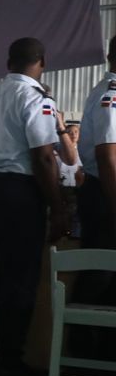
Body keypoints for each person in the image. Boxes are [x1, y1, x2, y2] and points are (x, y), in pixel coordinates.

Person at [0, 37, 68, 376]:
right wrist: (58, 205)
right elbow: (42, 156)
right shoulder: (36, 99)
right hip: (17, 194)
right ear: (41, 61)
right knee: (19, 278)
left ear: (9, 62)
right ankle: (10, 359)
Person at [76, 35, 116, 250]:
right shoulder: (112, 95)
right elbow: (107, 156)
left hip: (105, 189)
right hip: (106, 192)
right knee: (101, 271)